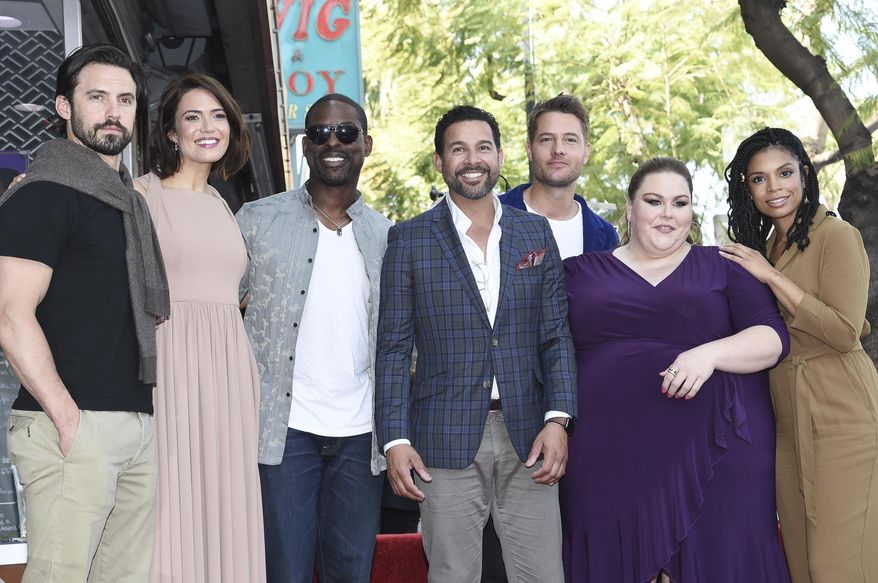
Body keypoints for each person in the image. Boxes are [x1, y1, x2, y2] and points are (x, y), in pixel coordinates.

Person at [561, 157, 791, 582]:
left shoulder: (726, 264)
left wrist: (708, 354)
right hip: (611, 453)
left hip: (717, 449)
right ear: (629, 208)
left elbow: (773, 339)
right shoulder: (578, 273)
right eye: (654, 201)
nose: (668, 213)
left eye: (680, 203)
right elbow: (548, 351)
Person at [375, 105, 577, 583]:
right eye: (458, 148)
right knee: (452, 575)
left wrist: (559, 419)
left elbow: (556, 335)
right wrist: (395, 440)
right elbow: (393, 348)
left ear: (501, 156)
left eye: (483, 147)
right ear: (439, 161)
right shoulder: (409, 239)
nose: (472, 158)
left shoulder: (534, 232)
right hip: (442, 440)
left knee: (544, 575)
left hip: (529, 434)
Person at [0, 44, 169, 582]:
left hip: (134, 423)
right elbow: (9, 315)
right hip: (71, 427)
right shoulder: (43, 196)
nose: (112, 111)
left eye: (124, 99)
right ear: (65, 107)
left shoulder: (128, 203)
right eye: (96, 97)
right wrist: (68, 419)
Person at [236, 93, 391, 583]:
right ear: (304, 146)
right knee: (285, 572)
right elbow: (215, 309)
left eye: (345, 133)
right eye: (319, 133)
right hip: (283, 433)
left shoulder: (390, 237)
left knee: (351, 572)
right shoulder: (256, 220)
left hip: (361, 434)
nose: (332, 142)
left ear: (365, 144)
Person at [721, 127, 878, 583]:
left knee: (838, 567)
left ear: (805, 174)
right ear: (747, 190)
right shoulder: (768, 247)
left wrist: (771, 278)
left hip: (841, 414)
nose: (774, 188)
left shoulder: (838, 235)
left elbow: (845, 332)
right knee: (802, 566)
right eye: (759, 179)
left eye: (785, 173)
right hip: (788, 424)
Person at [130, 73, 265, 582]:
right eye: (192, 116)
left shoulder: (221, 205)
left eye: (218, 116)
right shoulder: (141, 196)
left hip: (229, 377)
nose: (208, 127)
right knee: (171, 505)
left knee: (227, 505)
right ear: (169, 131)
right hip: (171, 370)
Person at [499, 94, 618, 258]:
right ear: (529, 149)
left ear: (586, 153)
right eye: (547, 139)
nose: (558, 149)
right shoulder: (492, 216)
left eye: (570, 139)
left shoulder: (606, 238)